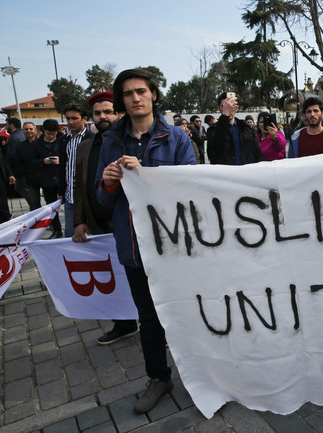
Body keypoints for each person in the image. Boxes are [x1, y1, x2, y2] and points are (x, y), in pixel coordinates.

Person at [96, 68, 196, 413]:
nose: (135, 97)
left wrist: (148, 176)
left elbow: (189, 190)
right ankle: (159, 377)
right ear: (121, 101)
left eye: (141, 90)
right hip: (135, 249)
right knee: (149, 318)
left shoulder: (177, 138)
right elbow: (103, 202)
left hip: (175, 246)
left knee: (192, 311)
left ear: (153, 94)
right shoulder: (110, 141)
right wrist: (110, 182)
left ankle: (205, 374)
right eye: (127, 93)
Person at [73, 91, 139, 344]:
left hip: (130, 221)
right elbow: (79, 186)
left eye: (108, 111)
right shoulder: (85, 147)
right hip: (98, 224)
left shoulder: (131, 142)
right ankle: (123, 324)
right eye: (98, 113)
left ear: (119, 113)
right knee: (110, 277)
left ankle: (158, 326)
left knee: (141, 277)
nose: (103, 117)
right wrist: (79, 220)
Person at [59, 103, 95, 236]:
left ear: (84, 119)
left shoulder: (92, 138)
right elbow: (63, 166)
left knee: (90, 233)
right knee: (70, 234)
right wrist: (61, 190)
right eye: (68, 118)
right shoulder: (63, 140)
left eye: (74, 118)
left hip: (87, 196)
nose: (70, 122)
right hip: (69, 196)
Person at [207, 93, 262, 165]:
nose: (228, 109)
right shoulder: (213, 130)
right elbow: (212, 154)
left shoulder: (246, 128)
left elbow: (257, 153)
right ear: (219, 108)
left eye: (231, 106)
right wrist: (224, 116)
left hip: (246, 171)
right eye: (224, 106)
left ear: (236, 108)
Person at [32, 120, 63, 238]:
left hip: (61, 177)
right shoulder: (36, 144)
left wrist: (60, 160)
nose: (51, 136)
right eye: (49, 134)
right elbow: (31, 161)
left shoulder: (62, 140)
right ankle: (57, 229)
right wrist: (43, 161)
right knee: (51, 206)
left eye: (53, 134)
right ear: (43, 131)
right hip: (47, 179)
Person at [13, 122, 41, 210]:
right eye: (26, 129)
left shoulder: (41, 144)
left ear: (35, 131)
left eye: (31, 129)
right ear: (23, 131)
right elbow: (17, 161)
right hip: (29, 178)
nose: (29, 131)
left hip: (43, 177)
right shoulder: (20, 146)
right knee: (33, 203)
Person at [4, 118, 29, 204]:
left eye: (7, 125)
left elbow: (11, 157)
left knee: (25, 191)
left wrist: (9, 172)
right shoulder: (21, 135)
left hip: (20, 171)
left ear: (12, 125)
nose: (5, 127)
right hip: (25, 169)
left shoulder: (14, 138)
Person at [0, 139, 15, 223]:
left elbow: (3, 161)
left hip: (0, 178)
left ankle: (4, 223)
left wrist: (10, 174)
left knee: (3, 203)